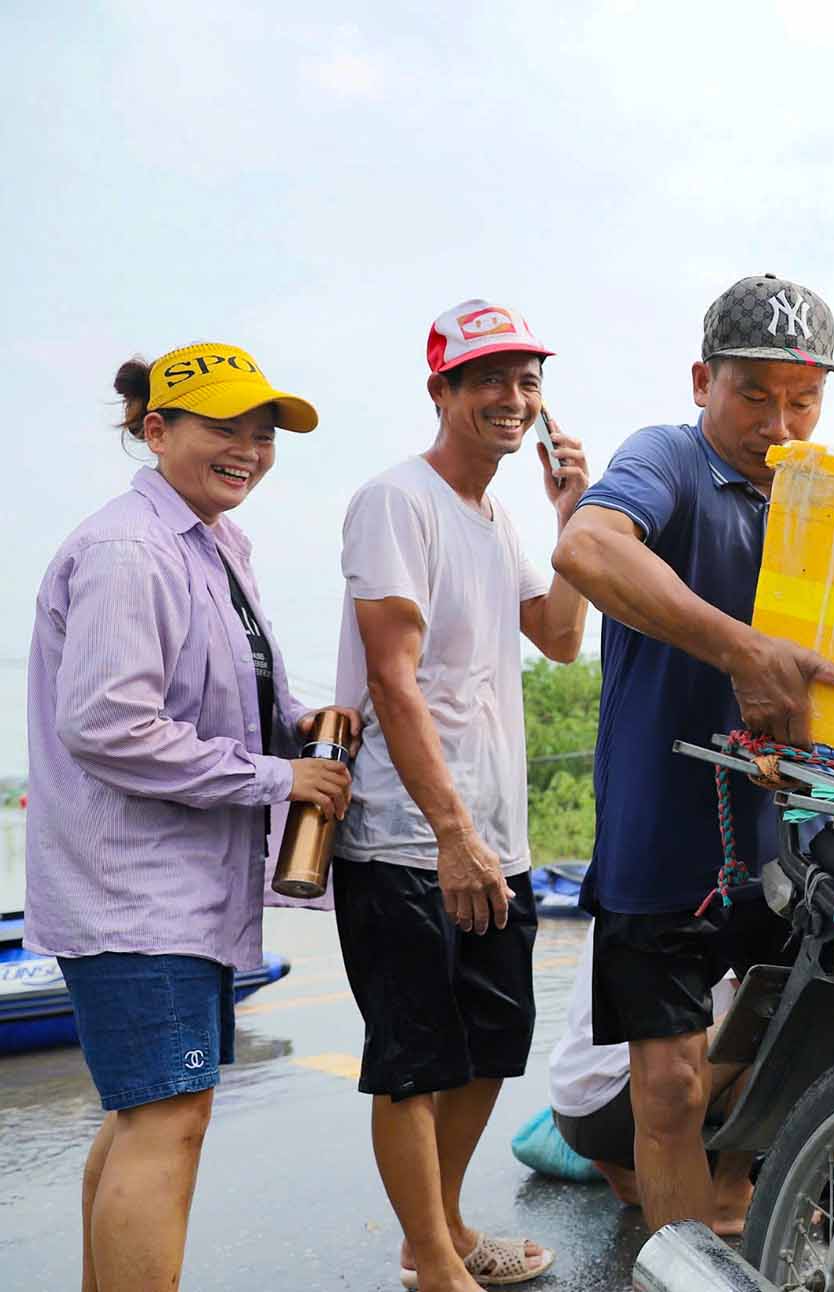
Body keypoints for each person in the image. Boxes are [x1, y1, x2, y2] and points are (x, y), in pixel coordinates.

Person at [26, 344, 356, 1291]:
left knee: (149, 1114)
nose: (249, 450)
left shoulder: (212, 543)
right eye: (224, 429)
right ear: (155, 429)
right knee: (165, 1119)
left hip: (176, 891)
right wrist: (273, 777)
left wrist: (302, 727)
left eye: (262, 434)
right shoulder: (132, 549)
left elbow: (232, 691)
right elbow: (109, 725)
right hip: (135, 891)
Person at [551, 273, 834, 1240]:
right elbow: (587, 550)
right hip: (662, 833)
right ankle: (680, 1266)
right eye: (752, 394)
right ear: (701, 381)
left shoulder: (831, 496)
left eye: (801, 398)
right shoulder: (666, 460)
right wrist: (741, 649)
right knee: (670, 1089)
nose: (778, 421)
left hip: (795, 839)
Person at [331, 299, 589, 1292]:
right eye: (487, 378)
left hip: (496, 833)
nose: (512, 398)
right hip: (407, 838)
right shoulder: (396, 501)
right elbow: (393, 679)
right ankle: (435, 1260)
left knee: (492, 1039)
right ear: (440, 388)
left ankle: (432, 1228)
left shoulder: (497, 516)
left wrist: (573, 517)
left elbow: (561, 636)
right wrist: (450, 835)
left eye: (526, 380)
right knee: (415, 1059)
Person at [545, 925, 740, 1207]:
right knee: (770, 1011)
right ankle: (731, 1192)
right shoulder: (720, 893)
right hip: (626, 1107)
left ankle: (633, 1175)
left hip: (573, 1102)